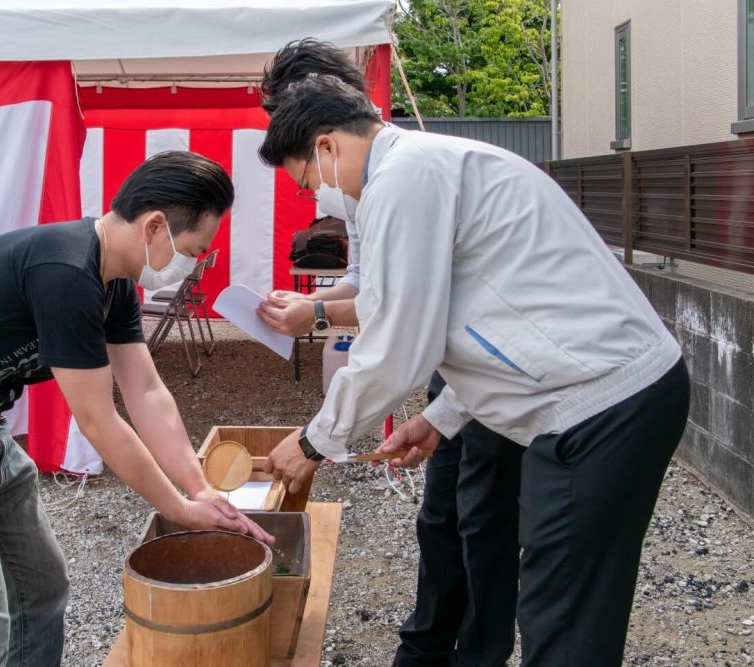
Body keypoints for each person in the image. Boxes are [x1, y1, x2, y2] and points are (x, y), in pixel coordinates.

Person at [259, 76, 689, 666]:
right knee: (556, 601)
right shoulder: (424, 166)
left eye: (308, 181)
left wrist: (314, 442)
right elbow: (484, 313)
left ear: (327, 147)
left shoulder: (402, 179)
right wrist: (441, 417)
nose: (318, 197)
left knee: (561, 617)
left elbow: (396, 341)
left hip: (599, 406)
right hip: (588, 399)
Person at [0, 151, 273, 666]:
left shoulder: (114, 283)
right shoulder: (66, 270)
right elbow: (98, 419)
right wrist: (178, 507)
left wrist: (200, 486)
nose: (197, 263)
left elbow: (146, 392)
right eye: (194, 250)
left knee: (38, 593)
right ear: (155, 226)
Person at [257, 39, 525, 666]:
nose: (306, 186)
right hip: (459, 365)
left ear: (326, 122)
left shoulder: (402, 172)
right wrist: (318, 309)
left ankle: (477, 653)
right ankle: (427, 645)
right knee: (441, 517)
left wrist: (316, 439)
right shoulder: (368, 174)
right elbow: (377, 288)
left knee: (485, 523)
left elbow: (400, 319)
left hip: (496, 365)